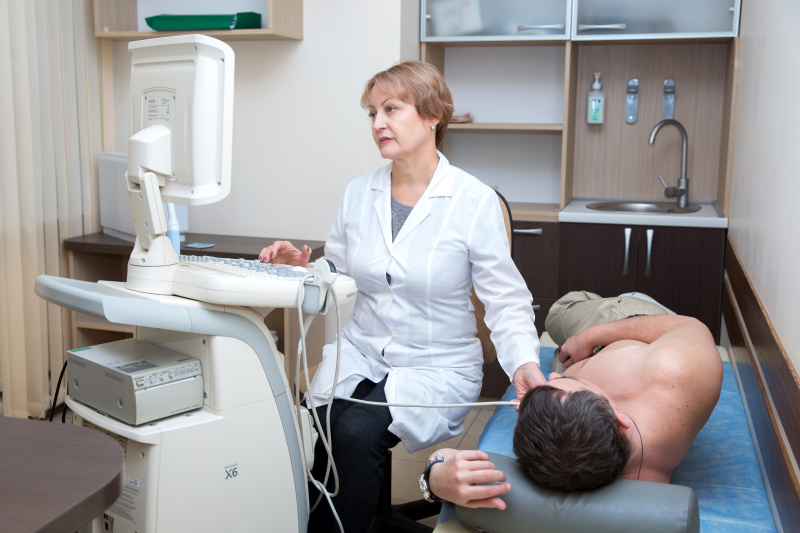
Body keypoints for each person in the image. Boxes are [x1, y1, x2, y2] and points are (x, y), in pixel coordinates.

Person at [258, 61, 545, 533]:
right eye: (371, 112)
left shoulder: (473, 202)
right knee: (317, 425)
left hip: (437, 366)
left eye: (391, 109)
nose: (377, 124)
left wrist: (523, 365)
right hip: (363, 351)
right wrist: (304, 269)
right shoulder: (358, 193)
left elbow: (505, 299)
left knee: (351, 434)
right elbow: (342, 271)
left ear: (433, 115)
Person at [426, 292, 722, 506]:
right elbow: (691, 327)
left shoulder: (565, 464)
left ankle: (579, 312)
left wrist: (434, 475)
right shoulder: (677, 369)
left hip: (599, 342)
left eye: (561, 383)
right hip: (638, 328)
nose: (552, 377)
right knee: (561, 313)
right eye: (572, 385)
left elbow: (441, 460)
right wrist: (591, 338)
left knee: (560, 313)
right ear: (618, 417)